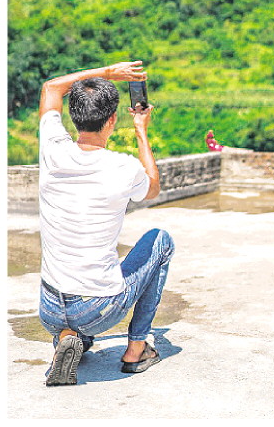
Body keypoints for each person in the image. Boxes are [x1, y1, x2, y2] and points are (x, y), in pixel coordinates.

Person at [38, 59, 174, 386]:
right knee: (160, 239)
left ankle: (68, 337)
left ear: (73, 116)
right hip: (97, 309)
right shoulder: (123, 168)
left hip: (50, 308)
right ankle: (137, 349)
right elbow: (153, 188)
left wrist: (108, 73)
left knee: (69, 304)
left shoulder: (52, 149)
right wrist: (141, 129)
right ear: (112, 120)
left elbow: (51, 87)